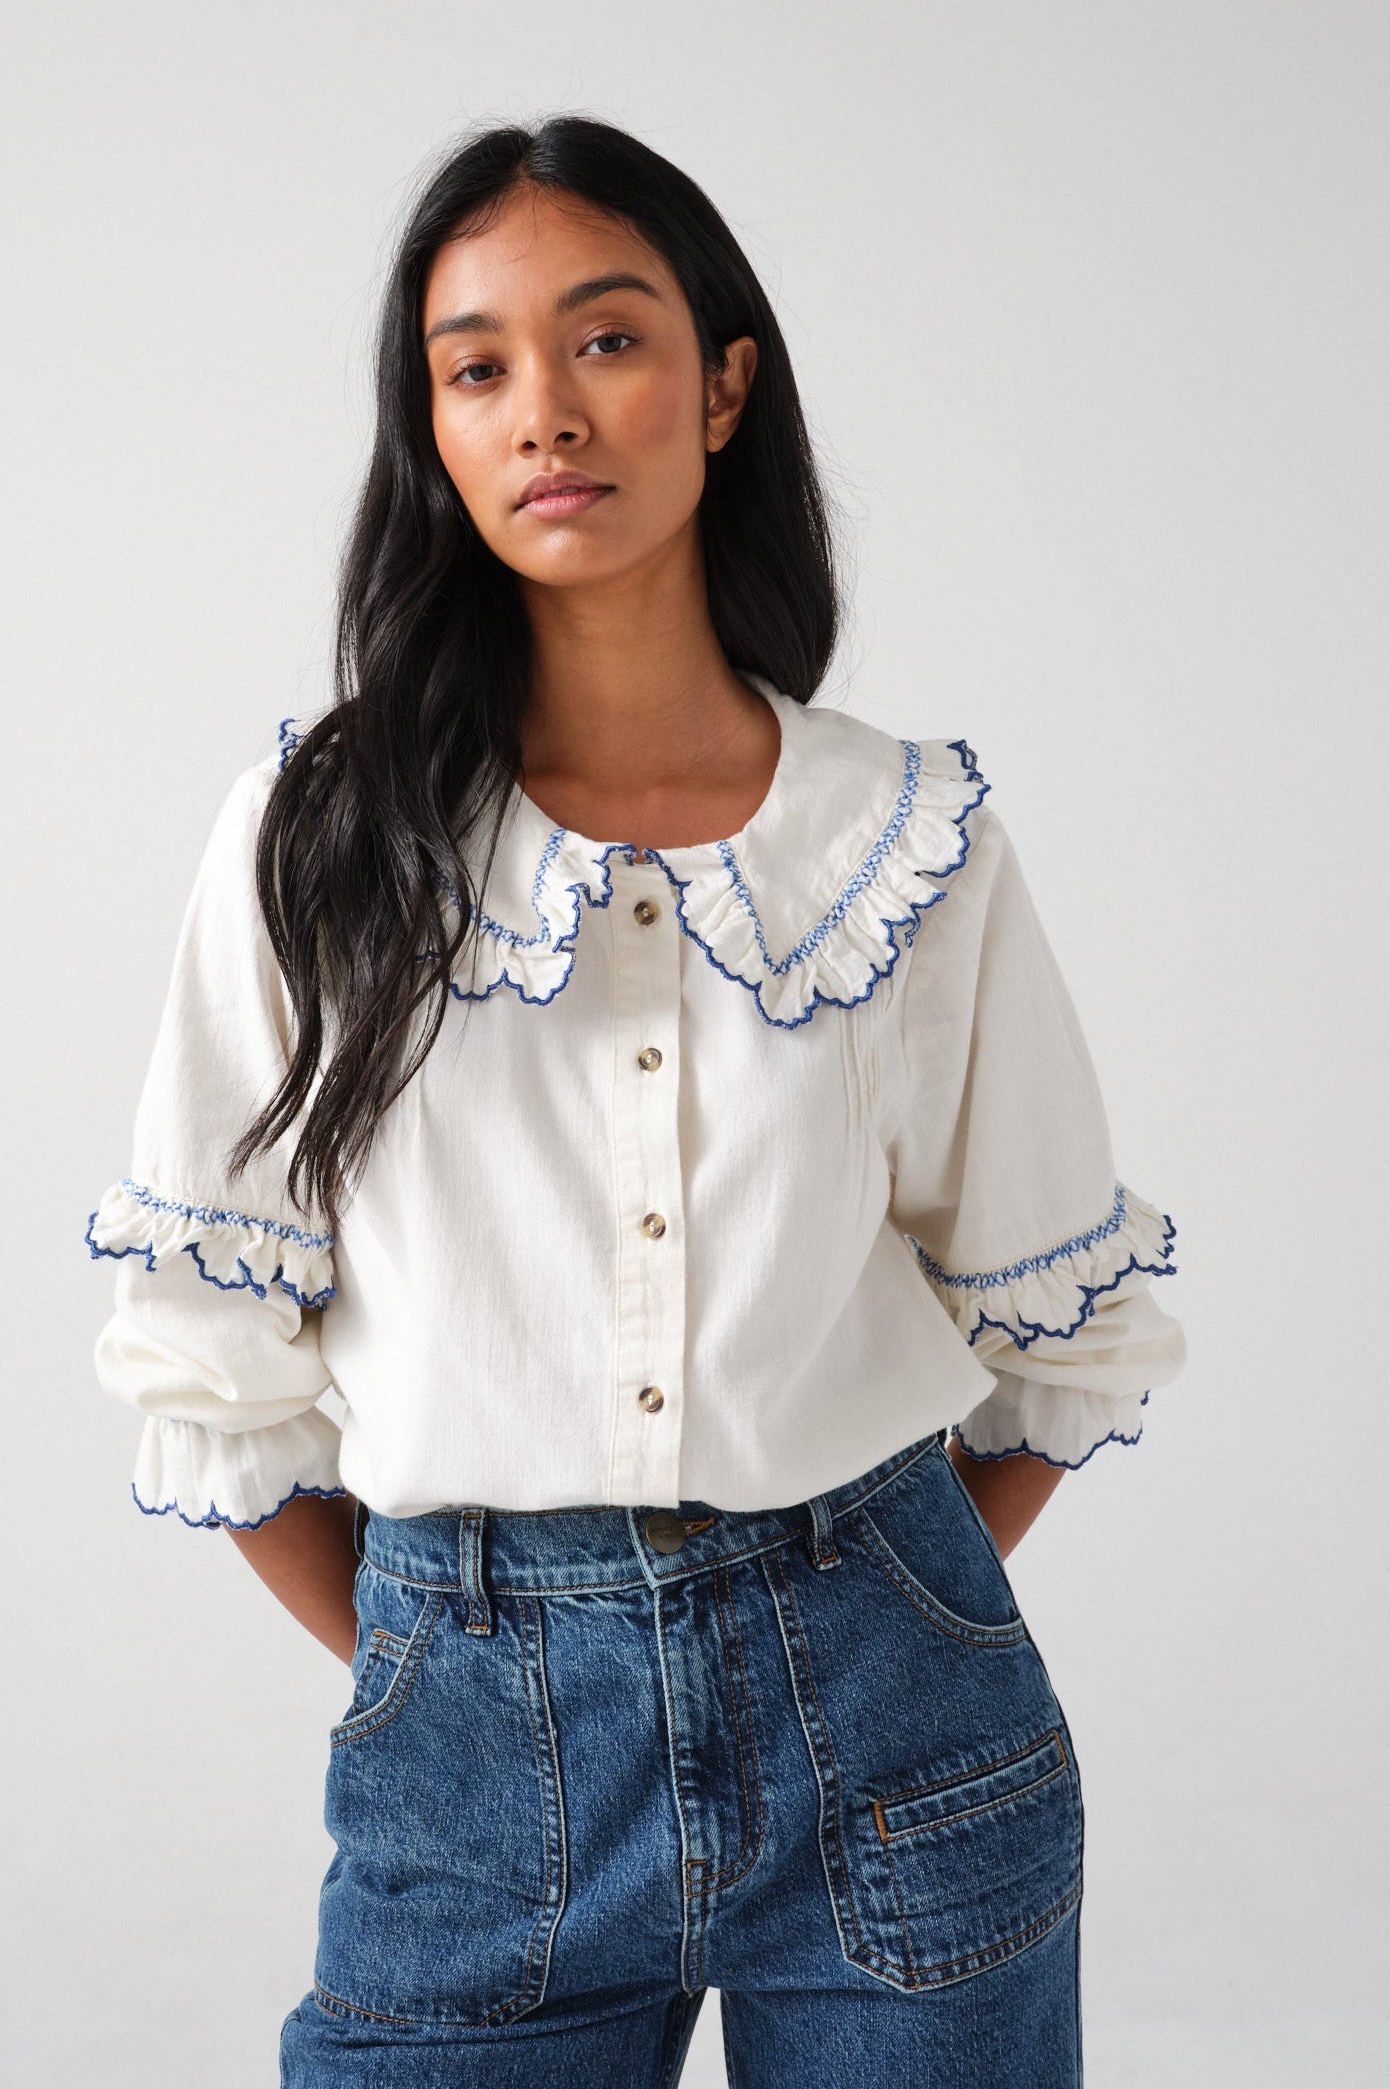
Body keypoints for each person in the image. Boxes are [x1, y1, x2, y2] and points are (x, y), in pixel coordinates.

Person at [84, 113, 1186, 2088]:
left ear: (721, 383)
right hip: (471, 1763)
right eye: (476, 366)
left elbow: (1061, 1331)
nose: (544, 414)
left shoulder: (905, 845)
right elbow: (204, 1360)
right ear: (431, 428)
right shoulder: (318, 843)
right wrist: (474, 1664)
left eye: (603, 341)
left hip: (903, 1738)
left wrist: (867, 1611)